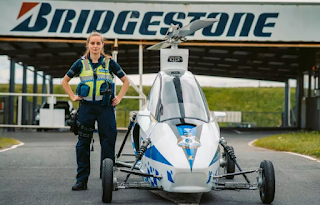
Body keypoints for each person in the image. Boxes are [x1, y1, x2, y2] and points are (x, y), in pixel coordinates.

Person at [62, 31, 129, 191]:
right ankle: (81, 180)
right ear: (88, 45)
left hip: (105, 108)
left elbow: (125, 81)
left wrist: (118, 98)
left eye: (98, 43)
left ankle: (107, 177)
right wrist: (72, 96)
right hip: (86, 108)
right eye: (92, 43)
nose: (95, 46)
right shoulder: (80, 63)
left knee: (108, 142)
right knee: (83, 144)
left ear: (102, 45)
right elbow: (65, 81)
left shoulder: (109, 62)